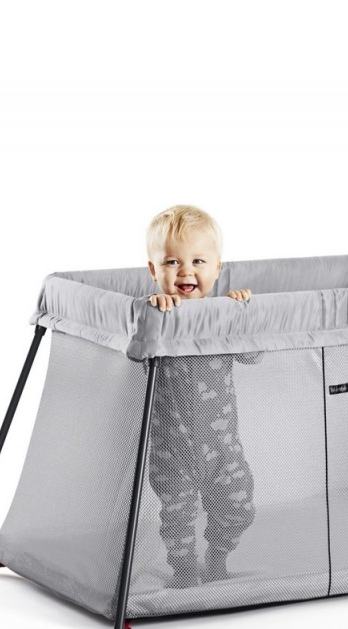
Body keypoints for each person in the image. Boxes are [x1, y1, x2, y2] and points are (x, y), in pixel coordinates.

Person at [142, 204, 264, 589]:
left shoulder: (221, 318)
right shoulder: (157, 317)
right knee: (177, 519)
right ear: (154, 270)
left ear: (217, 268)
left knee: (240, 507)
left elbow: (254, 355)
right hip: (172, 452)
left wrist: (240, 315)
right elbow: (136, 354)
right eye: (172, 262)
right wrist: (154, 313)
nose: (185, 271)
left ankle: (217, 557)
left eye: (198, 261)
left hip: (222, 449)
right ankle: (184, 571)